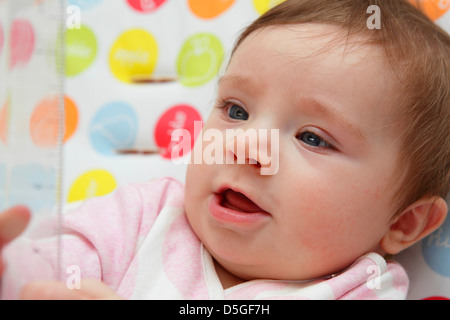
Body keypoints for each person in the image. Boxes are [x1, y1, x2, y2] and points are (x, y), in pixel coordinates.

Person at [1, 0, 449, 299]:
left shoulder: (361, 289)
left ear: (404, 221)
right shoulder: (142, 218)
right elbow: (44, 271)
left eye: (312, 138)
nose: (245, 145)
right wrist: (12, 270)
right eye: (236, 111)